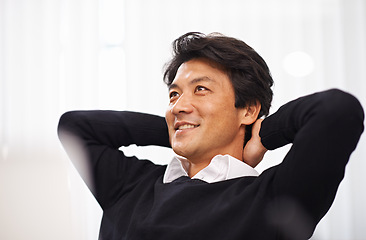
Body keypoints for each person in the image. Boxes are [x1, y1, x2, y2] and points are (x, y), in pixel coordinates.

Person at [58, 32, 364, 240]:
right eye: (174, 95)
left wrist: (263, 135)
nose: (178, 106)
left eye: (200, 89)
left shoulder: (276, 197)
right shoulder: (131, 186)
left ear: (248, 110)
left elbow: (337, 111)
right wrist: (185, 128)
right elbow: (76, 127)